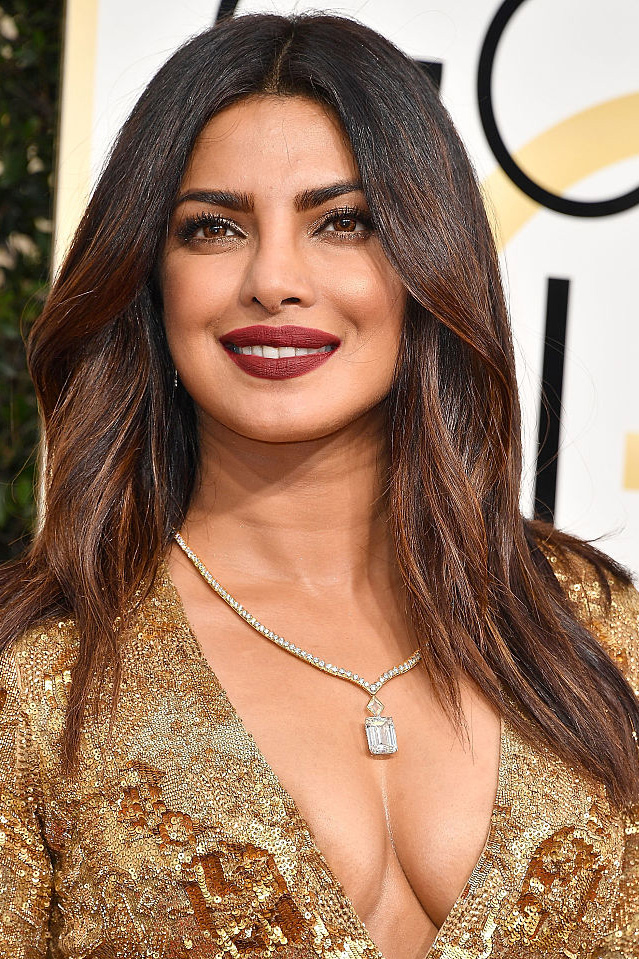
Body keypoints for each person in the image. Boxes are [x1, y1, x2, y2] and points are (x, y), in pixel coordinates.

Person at [0, 10, 638, 958]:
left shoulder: (591, 628)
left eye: (343, 222)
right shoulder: (40, 674)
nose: (274, 279)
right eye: (213, 227)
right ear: (151, 276)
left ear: (428, 260)